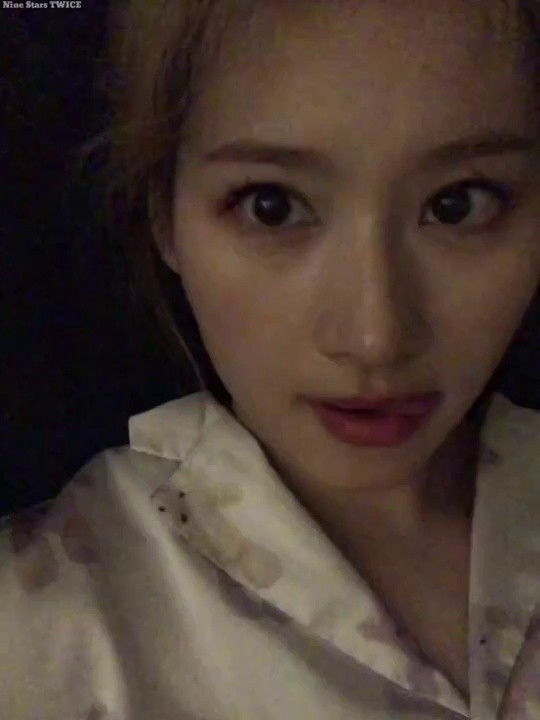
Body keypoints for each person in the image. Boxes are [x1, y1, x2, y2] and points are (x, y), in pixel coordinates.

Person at [2, 1, 540, 717]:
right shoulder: (37, 630)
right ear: (165, 217)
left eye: (458, 205)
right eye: (272, 206)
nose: (374, 337)